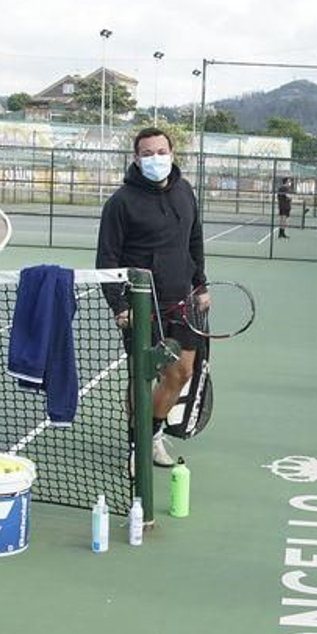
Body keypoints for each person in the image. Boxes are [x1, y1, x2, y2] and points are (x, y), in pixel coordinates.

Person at [96, 127, 208, 470]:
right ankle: (138, 444)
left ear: (172, 153)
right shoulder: (120, 202)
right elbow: (107, 260)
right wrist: (120, 306)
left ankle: (153, 433)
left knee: (181, 372)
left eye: (161, 151)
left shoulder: (185, 191)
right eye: (147, 153)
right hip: (143, 305)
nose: (155, 158)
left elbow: (195, 240)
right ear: (136, 158)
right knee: (142, 375)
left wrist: (201, 285)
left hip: (184, 298)